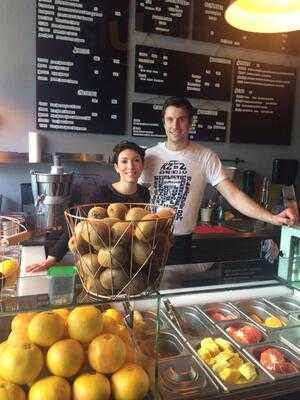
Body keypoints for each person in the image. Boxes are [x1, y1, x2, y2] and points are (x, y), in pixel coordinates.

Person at [139, 96, 298, 264]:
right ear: (163, 122)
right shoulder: (149, 156)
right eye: (170, 119)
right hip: (147, 238)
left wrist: (272, 218)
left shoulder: (205, 157)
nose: (175, 125)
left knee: (175, 288)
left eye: (181, 119)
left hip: (181, 242)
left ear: (190, 123)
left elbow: (234, 196)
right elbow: (132, 196)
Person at [26, 141, 149, 273]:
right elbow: (76, 225)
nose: (130, 166)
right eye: (124, 161)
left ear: (142, 166)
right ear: (116, 167)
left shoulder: (145, 193)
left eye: (136, 160)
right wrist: (53, 258)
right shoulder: (101, 193)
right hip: (105, 267)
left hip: (134, 267)